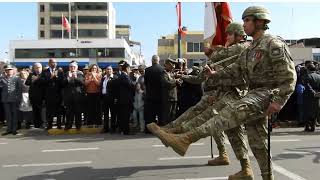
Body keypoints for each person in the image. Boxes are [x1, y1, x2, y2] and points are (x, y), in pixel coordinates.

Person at [148, 6, 297, 180]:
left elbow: (289, 76)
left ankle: (186, 138)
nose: (245, 25)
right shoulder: (251, 49)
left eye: (247, 20)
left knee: (232, 111)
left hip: (267, 93)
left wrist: (279, 100)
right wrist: (215, 74)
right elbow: (235, 68)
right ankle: (267, 176)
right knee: (258, 143)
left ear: (260, 21)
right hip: (254, 92)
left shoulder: (273, 44)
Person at [152, 22, 252, 178]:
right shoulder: (232, 52)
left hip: (235, 96)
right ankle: (244, 168)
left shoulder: (242, 47)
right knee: (234, 134)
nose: (227, 37)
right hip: (223, 94)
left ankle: (178, 134)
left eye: (230, 34)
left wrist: (212, 51)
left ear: (239, 35)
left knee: (205, 117)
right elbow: (201, 77)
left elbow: (219, 56)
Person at [40, 58, 64, 130]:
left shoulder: (60, 72)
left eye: (55, 62)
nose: (54, 64)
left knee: (59, 111)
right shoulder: (45, 72)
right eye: (53, 62)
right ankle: (49, 125)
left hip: (58, 95)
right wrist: (50, 77)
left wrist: (56, 77)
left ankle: (59, 125)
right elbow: (42, 82)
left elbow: (62, 83)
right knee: (49, 111)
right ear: (49, 63)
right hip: (48, 95)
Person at [144, 55, 165, 131]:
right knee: (160, 114)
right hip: (160, 96)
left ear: (152, 60)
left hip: (150, 96)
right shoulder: (162, 69)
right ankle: (161, 130)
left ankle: (150, 130)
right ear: (158, 61)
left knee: (150, 115)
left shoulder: (147, 70)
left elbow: (145, 83)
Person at [62, 61, 85, 130]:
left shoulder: (80, 74)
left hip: (77, 96)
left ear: (76, 67)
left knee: (78, 112)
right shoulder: (66, 74)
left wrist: (75, 78)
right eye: (71, 67)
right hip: (68, 96)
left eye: (74, 67)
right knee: (69, 112)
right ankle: (68, 125)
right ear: (69, 67)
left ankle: (78, 126)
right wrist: (68, 78)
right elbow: (62, 84)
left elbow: (82, 83)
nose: (72, 68)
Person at [0, 65, 22, 135]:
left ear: (13, 71)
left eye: (10, 70)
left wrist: (18, 98)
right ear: (5, 71)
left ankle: (14, 129)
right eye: (7, 70)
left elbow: (19, 89)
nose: (9, 71)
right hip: (5, 100)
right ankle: (8, 129)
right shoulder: (2, 78)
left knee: (14, 115)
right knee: (8, 115)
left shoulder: (17, 78)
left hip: (14, 99)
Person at [117, 62, 135, 135]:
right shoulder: (124, 76)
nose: (130, 70)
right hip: (125, 100)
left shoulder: (123, 75)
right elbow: (130, 85)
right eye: (129, 69)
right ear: (127, 68)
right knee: (125, 116)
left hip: (123, 99)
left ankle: (123, 130)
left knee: (123, 115)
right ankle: (125, 131)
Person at [25, 63, 44, 128]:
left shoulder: (44, 74)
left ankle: (42, 123)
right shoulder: (31, 74)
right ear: (34, 68)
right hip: (33, 96)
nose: (38, 69)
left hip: (42, 97)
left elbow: (45, 83)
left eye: (39, 67)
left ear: (41, 68)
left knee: (41, 111)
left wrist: (37, 79)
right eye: (36, 67)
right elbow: (27, 83)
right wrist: (32, 80)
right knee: (35, 110)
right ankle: (36, 124)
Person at [303, 63, 320, 132]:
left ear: (308, 69)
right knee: (315, 111)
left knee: (307, 111)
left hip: (309, 96)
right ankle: (313, 126)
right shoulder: (319, 76)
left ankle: (307, 126)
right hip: (317, 96)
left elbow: (307, 86)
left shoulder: (307, 76)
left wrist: (313, 93)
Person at [161, 58, 179, 124]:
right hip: (168, 98)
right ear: (167, 65)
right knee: (167, 115)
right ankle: (165, 130)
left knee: (173, 115)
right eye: (171, 65)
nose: (173, 66)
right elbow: (167, 83)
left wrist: (178, 81)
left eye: (173, 65)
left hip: (174, 97)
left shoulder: (171, 73)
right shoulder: (164, 73)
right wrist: (175, 81)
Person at [101, 66, 117, 133]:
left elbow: (117, 89)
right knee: (106, 114)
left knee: (113, 114)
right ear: (105, 70)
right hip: (104, 97)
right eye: (107, 69)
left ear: (112, 70)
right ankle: (106, 128)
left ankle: (113, 128)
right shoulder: (103, 78)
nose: (108, 70)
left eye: (110, 69)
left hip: (112, 98)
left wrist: (116, 98)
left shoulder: (115, 78)